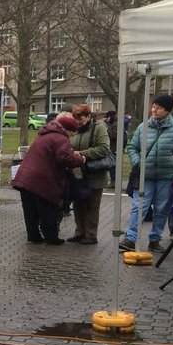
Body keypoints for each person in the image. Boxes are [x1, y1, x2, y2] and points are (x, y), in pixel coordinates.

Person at [121, 94, 173, 253]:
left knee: (161, 209)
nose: (154, 109)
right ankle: (131, 238)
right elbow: (132, 148)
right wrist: (138, 163)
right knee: (139, 206)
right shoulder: (143, 127)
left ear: (167, 110)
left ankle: (154, 240)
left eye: (158, 107)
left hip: (167, 177)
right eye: (153, 106)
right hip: (146, 175)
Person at [12, 114, 85, 245]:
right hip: (42, 180)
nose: (71, 134)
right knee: (48, 209)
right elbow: (64, 158)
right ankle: (52, 238)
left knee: (30, 210)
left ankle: (33, 236)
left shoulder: (43, 134)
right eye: (72, 131)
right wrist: (81, 159)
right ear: (68, 129)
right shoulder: (61, 138)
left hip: (25, 177)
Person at [67, 105, 111, 245]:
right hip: (78, 173)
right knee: (78, 203)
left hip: (94, 173)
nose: (78, 121)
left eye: (81, 118)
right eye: (76, 119)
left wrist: (82, 154)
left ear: (88, 116)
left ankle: (91, 234)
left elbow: (103, 148)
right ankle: (80, 232)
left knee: (92, 205)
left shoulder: (99, 128)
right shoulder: (75, 130)